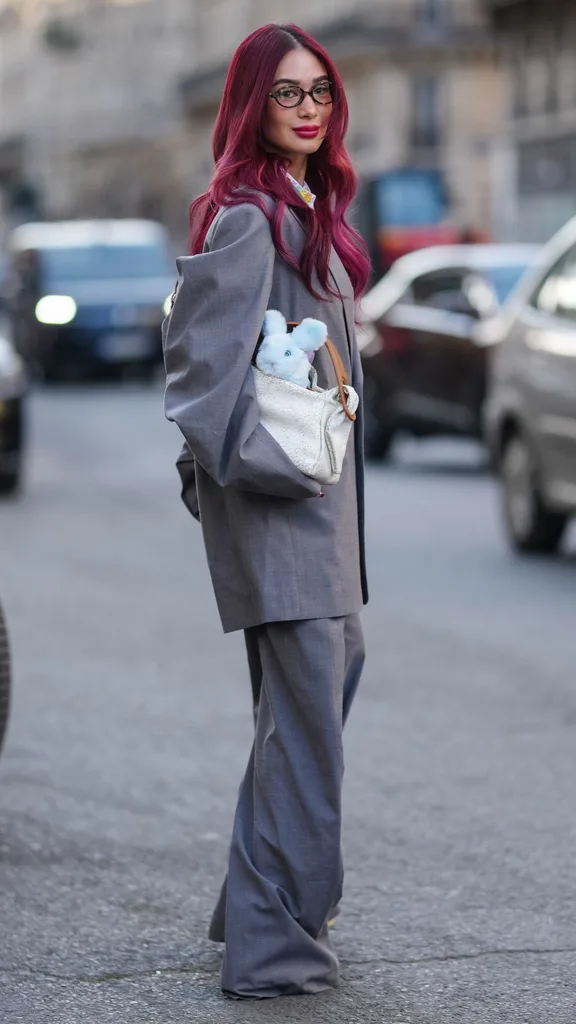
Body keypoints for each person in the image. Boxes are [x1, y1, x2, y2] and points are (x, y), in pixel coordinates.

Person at [162, 22, 370, 1000]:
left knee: (306, 718)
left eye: (319, 91)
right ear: (253, 106)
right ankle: (275, 947)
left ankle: (257, 910)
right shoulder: (247, 216)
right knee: (307, 732)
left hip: (319, 518)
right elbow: (202, 377)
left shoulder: (300, 205)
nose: (309, 108)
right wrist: (273, 465)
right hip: (283, 509)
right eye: (288, 94)